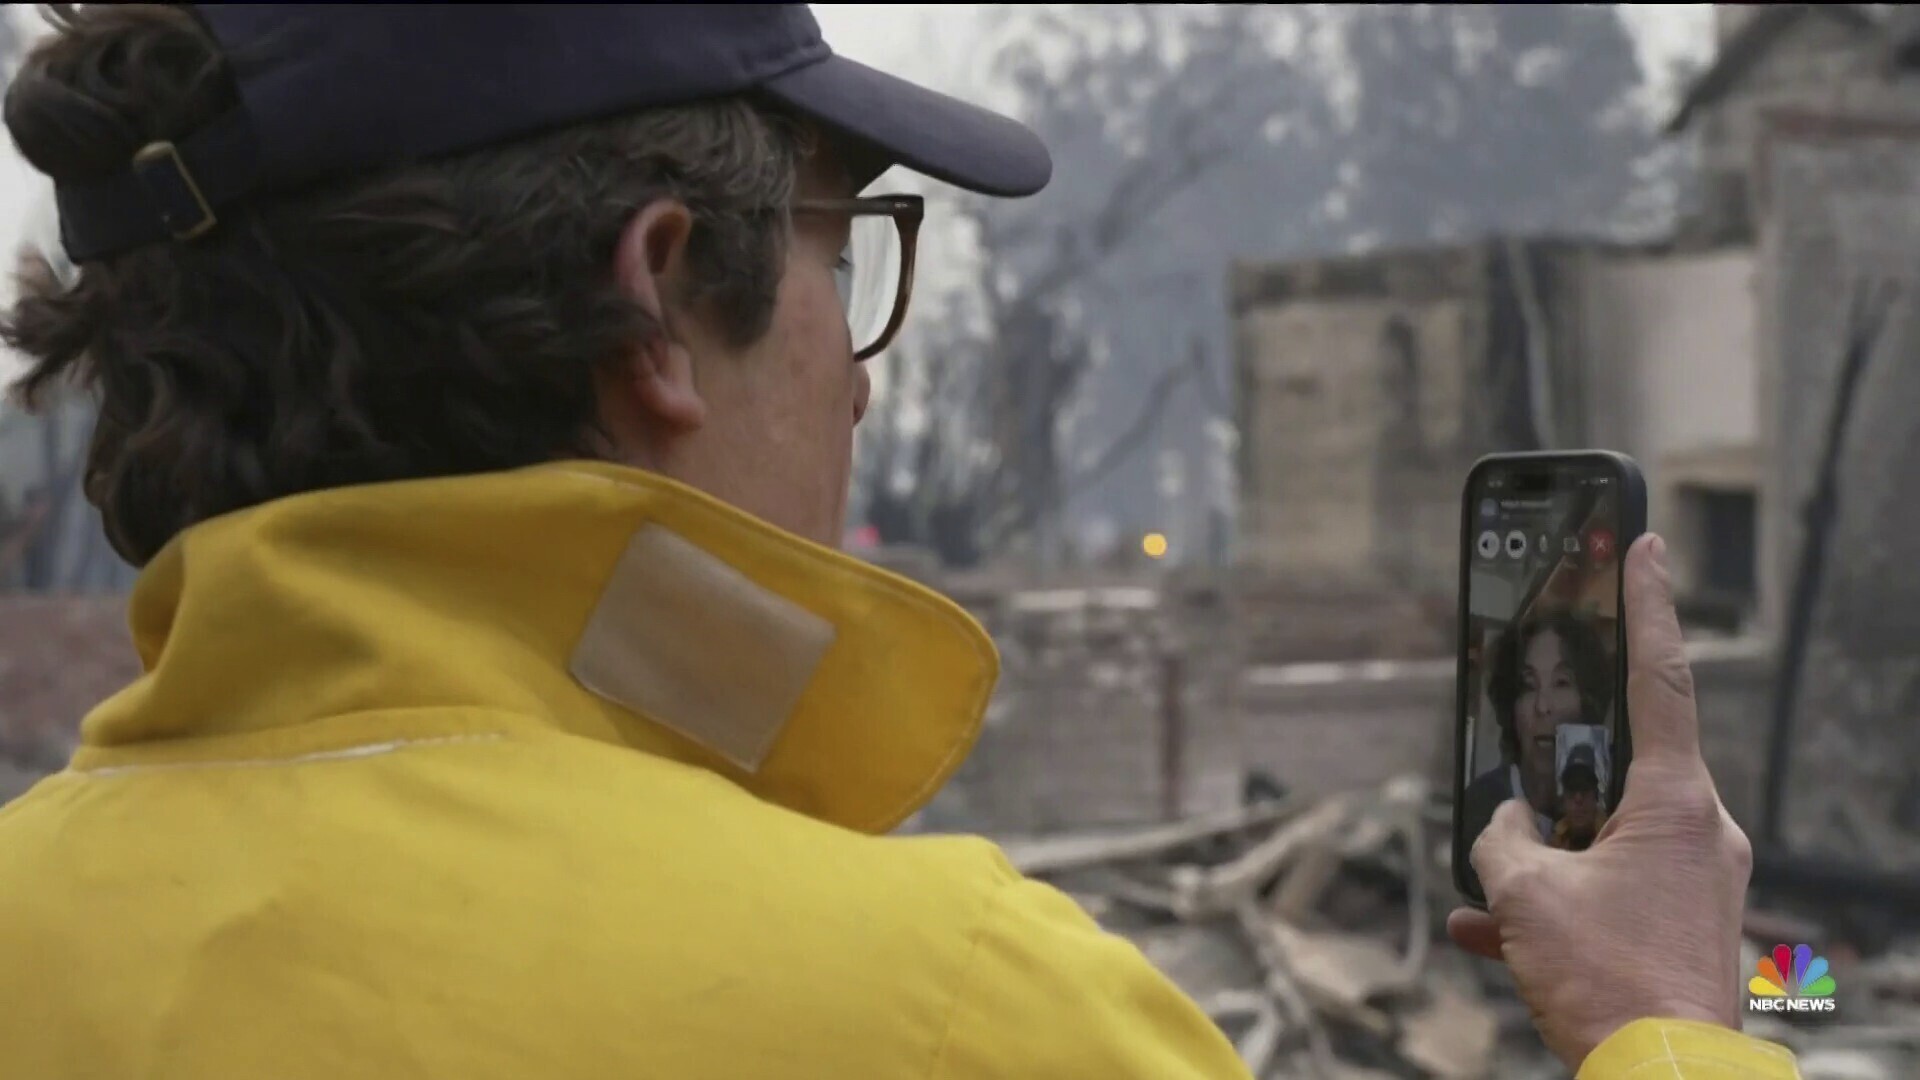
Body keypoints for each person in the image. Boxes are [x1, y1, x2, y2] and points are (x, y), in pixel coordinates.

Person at [0, 6, 1792, 1078]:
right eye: (835, 263)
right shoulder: (949, 1015)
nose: (856, 389)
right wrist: (1665, 1020)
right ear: (653, 305)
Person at [1460, 610, 1613, 850]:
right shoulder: (1476, 809)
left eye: (1562, 682)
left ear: (1588, 699)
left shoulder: (1618, 810)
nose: (1542, 706)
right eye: (1529, 686)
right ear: (1510, 704)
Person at [1552, 744, 1609, 852]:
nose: (1578, 798)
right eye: (1572, 789)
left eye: (1585, 788)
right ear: (1563, 799)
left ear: (1596, 796)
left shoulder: (1614, 841)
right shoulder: (1551, 848)